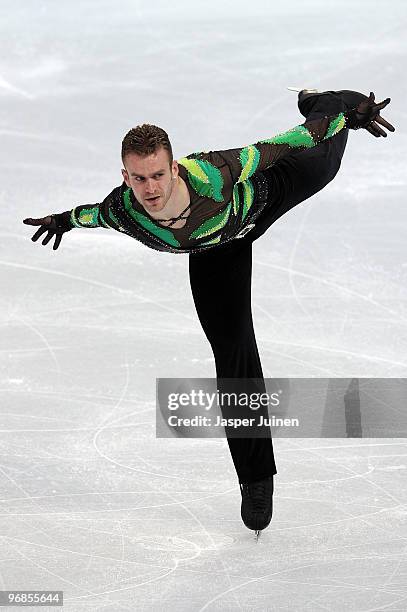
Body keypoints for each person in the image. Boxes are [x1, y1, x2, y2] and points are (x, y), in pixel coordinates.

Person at [22, 89, 395, 538]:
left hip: (263, 196)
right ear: (126, 176)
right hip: (215, 254)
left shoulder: (214, 174)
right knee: (234, 352)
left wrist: (343, 120)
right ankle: (256, 479)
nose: (151, 188)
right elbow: (92, 215)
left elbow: (286, 143)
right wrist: (62, 221)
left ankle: (330, 99)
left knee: (325, 163)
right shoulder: (125, 210)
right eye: (140, 179)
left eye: (158, 174)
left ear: (173, 167)